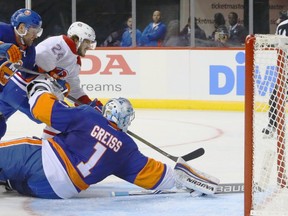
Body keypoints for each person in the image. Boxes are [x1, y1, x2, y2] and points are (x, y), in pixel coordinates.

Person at [0, 77, 219, 199]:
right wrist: (183, 179)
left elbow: (41, 110)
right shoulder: (126, 149)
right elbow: (155, 176)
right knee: (19, 174)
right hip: (54, 191)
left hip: (43, 164)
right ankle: (8, 179)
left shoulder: (88, 117)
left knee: (24, 148)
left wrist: (41, 88)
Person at [35, 21, 103, 138]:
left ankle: (46, 146)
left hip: (37, 93)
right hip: (26, 86)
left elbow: (74, 89)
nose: (89, 47)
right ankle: (46, 147)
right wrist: (53, 73)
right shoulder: (60, 44)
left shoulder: (75, 62)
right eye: (87, 42)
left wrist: (88, 104)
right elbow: (39, 56)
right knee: (61, 119)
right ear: (77, 39)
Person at [0, 8, 43, 140]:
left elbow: (27, 76)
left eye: (38, 31)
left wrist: (48, 76)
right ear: (22, 27)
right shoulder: (2, 30)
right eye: (33, 30)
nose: (35, 35)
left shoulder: (30, 52)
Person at [262, 10, 288, 138]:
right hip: (286, 71)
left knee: (275, 97)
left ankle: (272, 126)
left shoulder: (282, 25)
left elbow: (277, 45)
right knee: (275, 97)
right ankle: (272, 125)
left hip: (286, 70)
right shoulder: (283, 25)